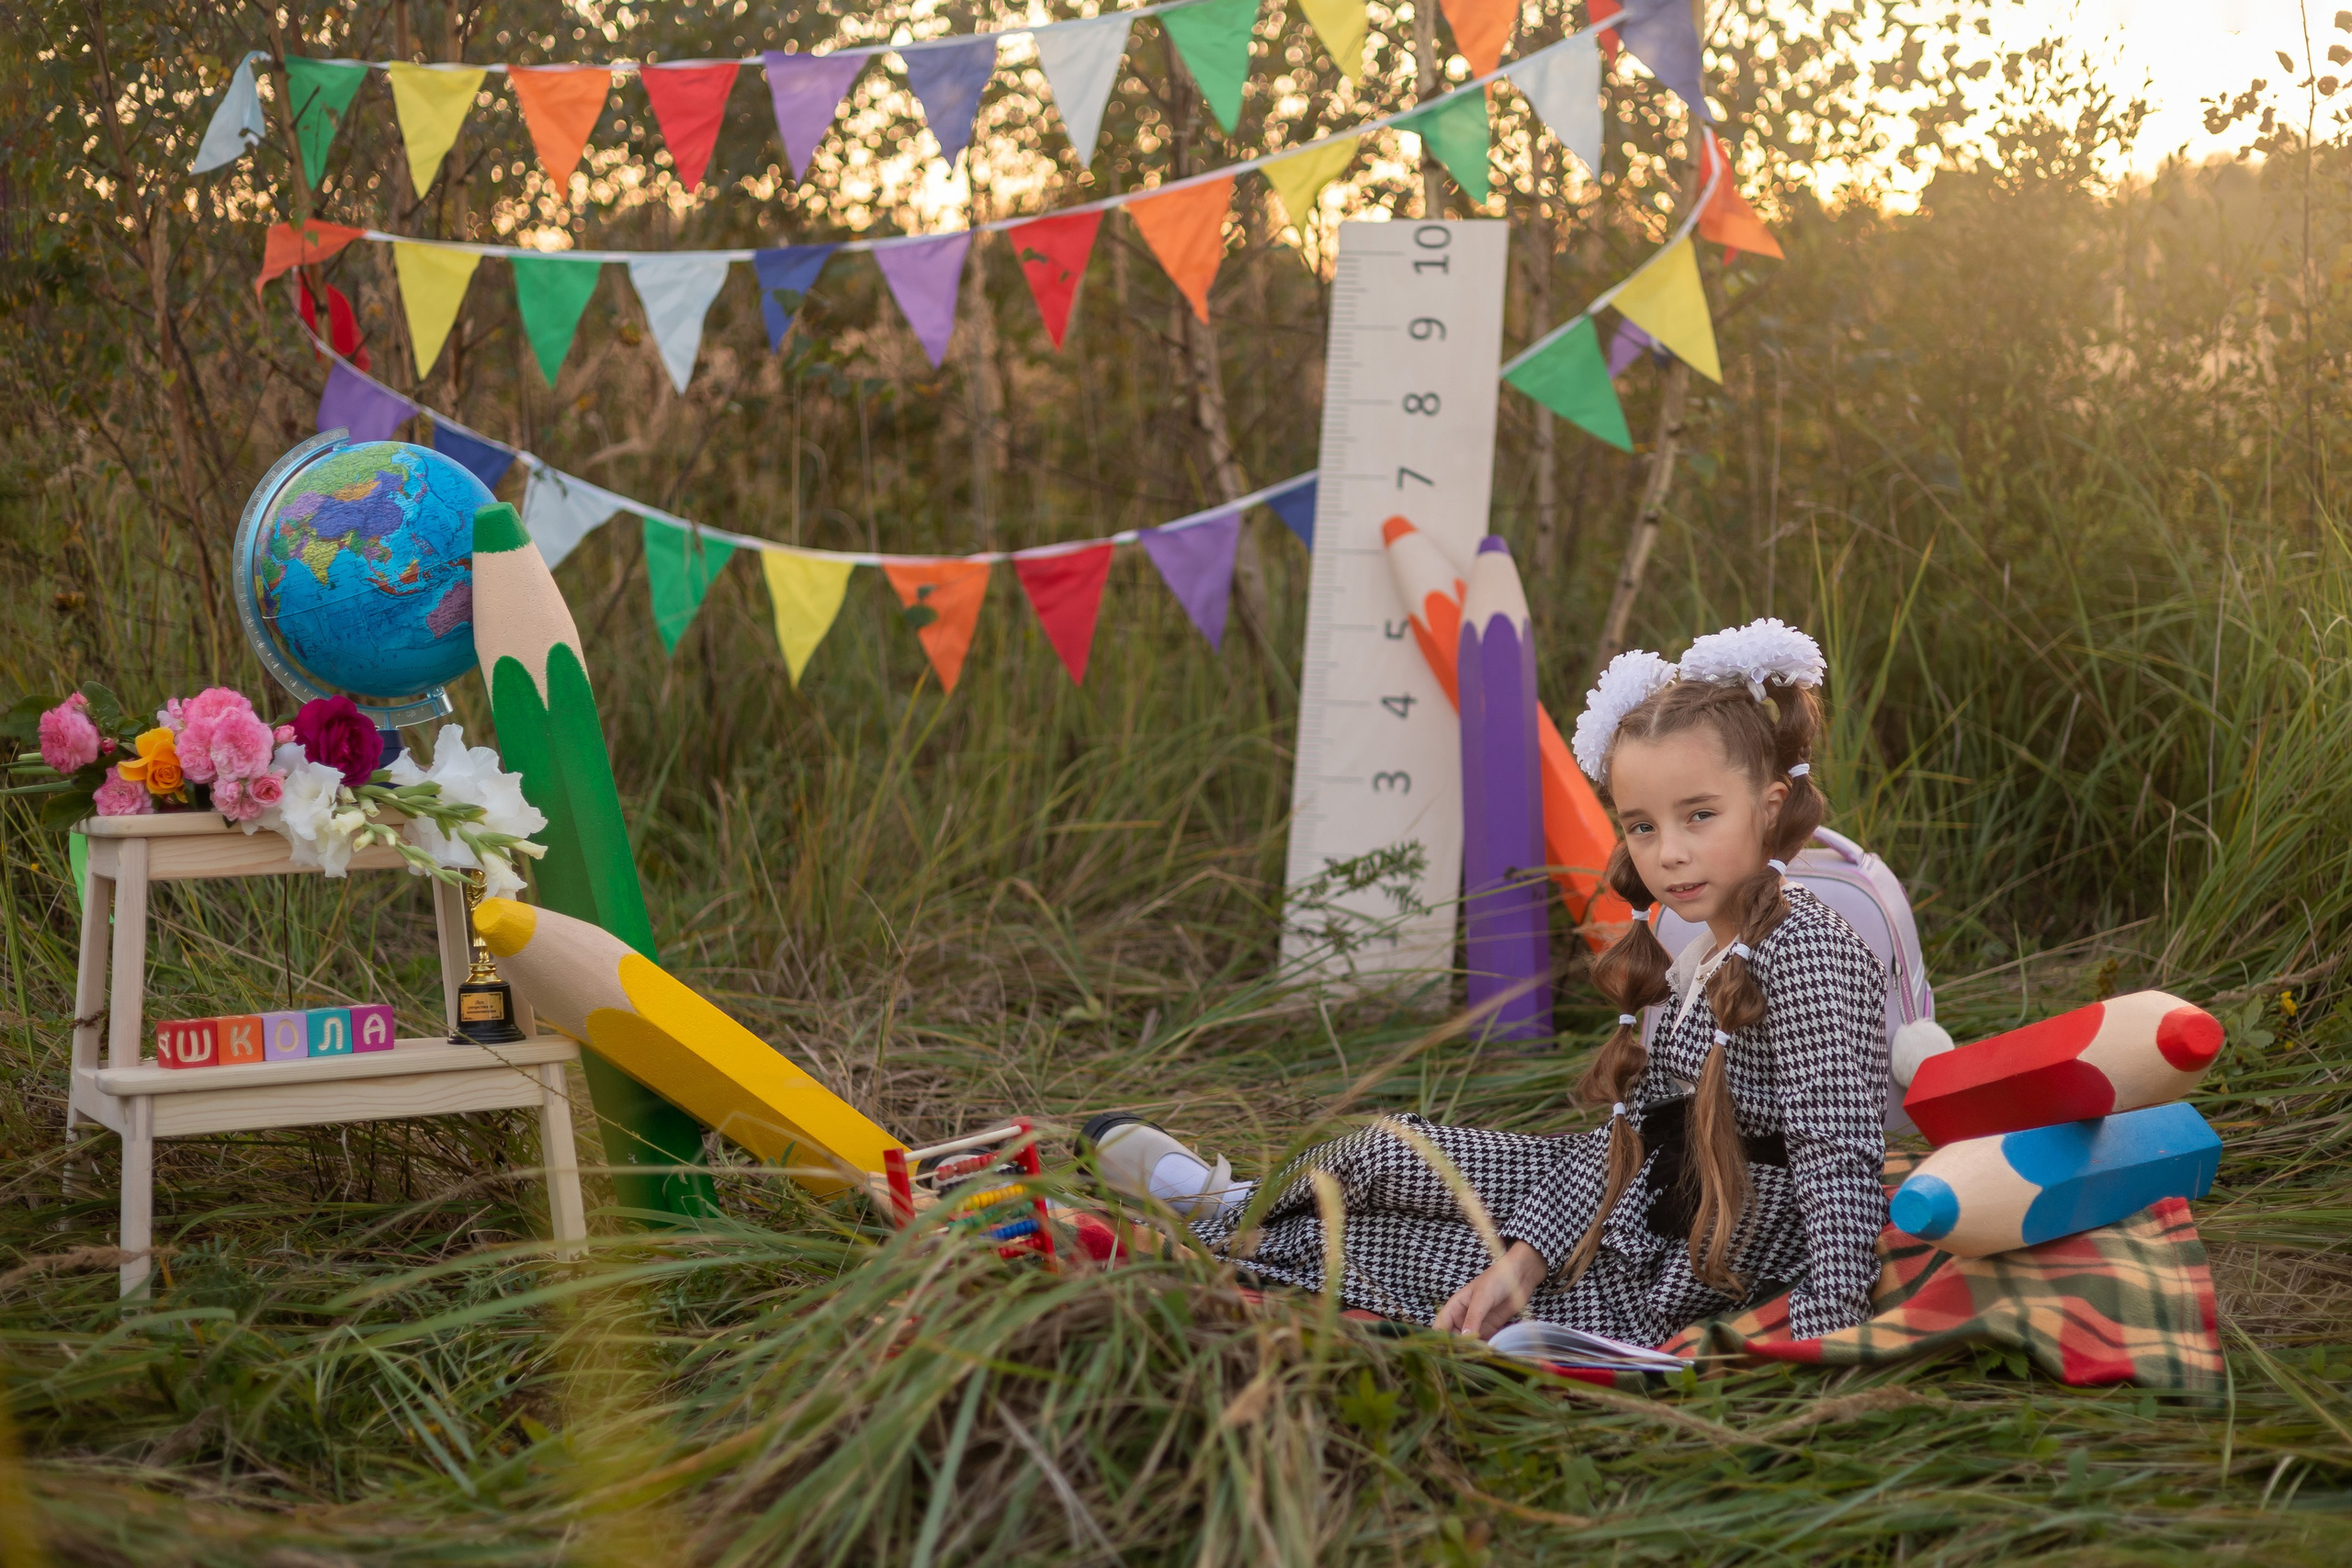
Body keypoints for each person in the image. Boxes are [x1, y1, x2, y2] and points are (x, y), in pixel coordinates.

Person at [1081, 618, 1891, 1344]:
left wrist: (1821, 1338)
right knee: (1393, 1150)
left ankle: (1231, 1233)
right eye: (1643, 825)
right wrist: (1532, 1251)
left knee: (1380, 1244)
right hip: (1635, 1190)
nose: (1668, 851)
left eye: (1699, 815)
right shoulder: (1703, 952)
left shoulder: (1807, 952)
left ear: (1770, 803)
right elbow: (1635, 1131)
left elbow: (1838, 1159)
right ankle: (1237, 1200)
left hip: (1692, 1251)